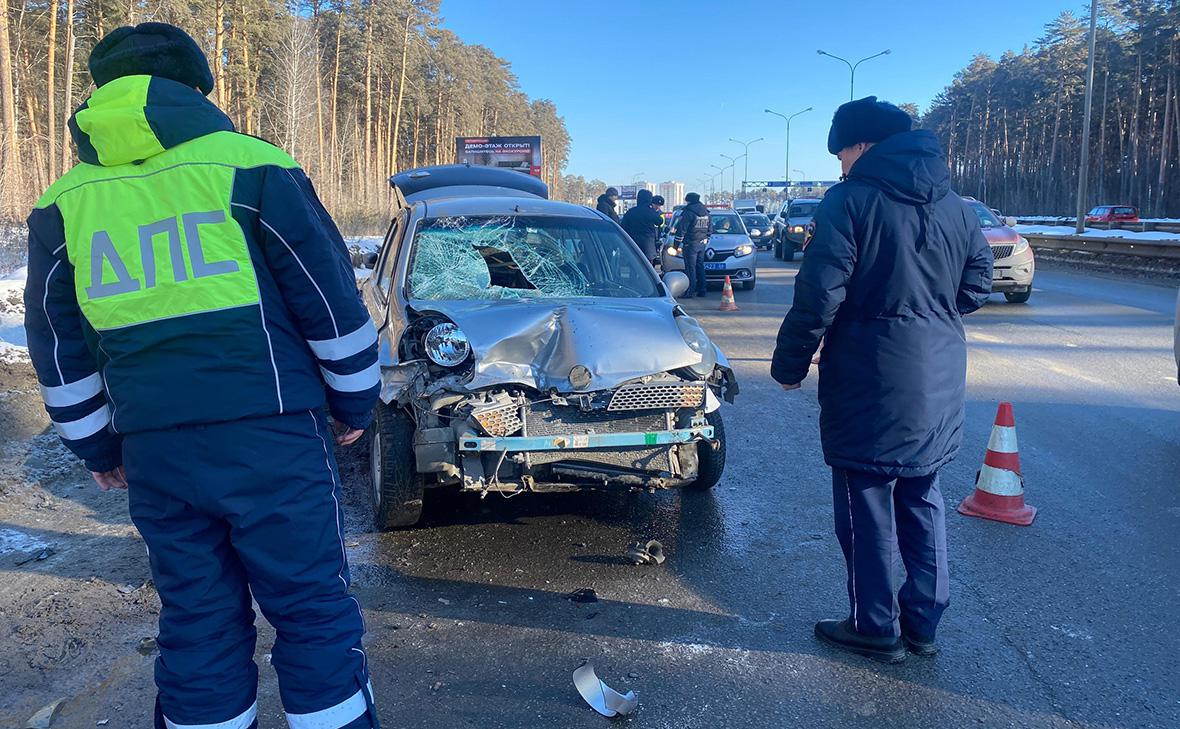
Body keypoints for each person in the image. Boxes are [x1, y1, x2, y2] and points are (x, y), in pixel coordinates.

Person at [23, 23, 382, 727]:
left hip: (155, 449)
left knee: (197, 618)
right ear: (193, 88)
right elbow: (329, 299)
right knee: (311, 609)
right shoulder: (252, 165)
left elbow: (55, 341)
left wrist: (96, 445)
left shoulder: (64, 201)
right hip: (273, 432)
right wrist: (355, 401)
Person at [771, 97, 993, 663]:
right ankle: (924, 622)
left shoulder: (850, 201)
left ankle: (874, 624)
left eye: (842, 151)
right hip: (940, 374)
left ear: (863, 146)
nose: (840, 163)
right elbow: (976, 287)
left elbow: (819, 295)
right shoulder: (958, 207)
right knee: (923, 495)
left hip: (869, 377)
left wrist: (790, 365)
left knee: (865, 501)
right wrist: (928, 318)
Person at [674, 192, 712, 298]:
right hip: (702, 244)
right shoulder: (706, 213)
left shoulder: (688, 212)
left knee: (690, 268)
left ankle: (689, 291)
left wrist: (675, 246)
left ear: (688, 200)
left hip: (690, 244)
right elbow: (710, 230)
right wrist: (706, 240)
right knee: (700, 266)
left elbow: (681, 230)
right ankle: (702, 289)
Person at [620, 188, 664, 264]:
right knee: (647, 269)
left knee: (634, 267)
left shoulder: (631, 212)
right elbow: (659, 221)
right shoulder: (650, 212)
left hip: (633, 244)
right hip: (648, 247)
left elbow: (623, 227)